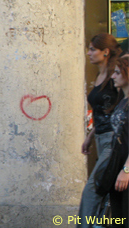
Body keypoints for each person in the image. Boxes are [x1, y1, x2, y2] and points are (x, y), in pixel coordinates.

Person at [79, 33, 124, 228]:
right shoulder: (100, 76)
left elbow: (120, 112)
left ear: (105, 52)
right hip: (100, 139)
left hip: (114, 140)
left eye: (92, 49)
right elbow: (103, 112)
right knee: (105, 190)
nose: (88, 53)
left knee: (92, 190)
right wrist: (89, 136)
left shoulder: (117, 75)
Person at [109, 56, 129, 227]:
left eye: (117, 72)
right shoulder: (122, 101)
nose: (113, 77)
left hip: (126, 167)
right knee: (118, 218)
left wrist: (126, 170)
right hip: (118, 164)